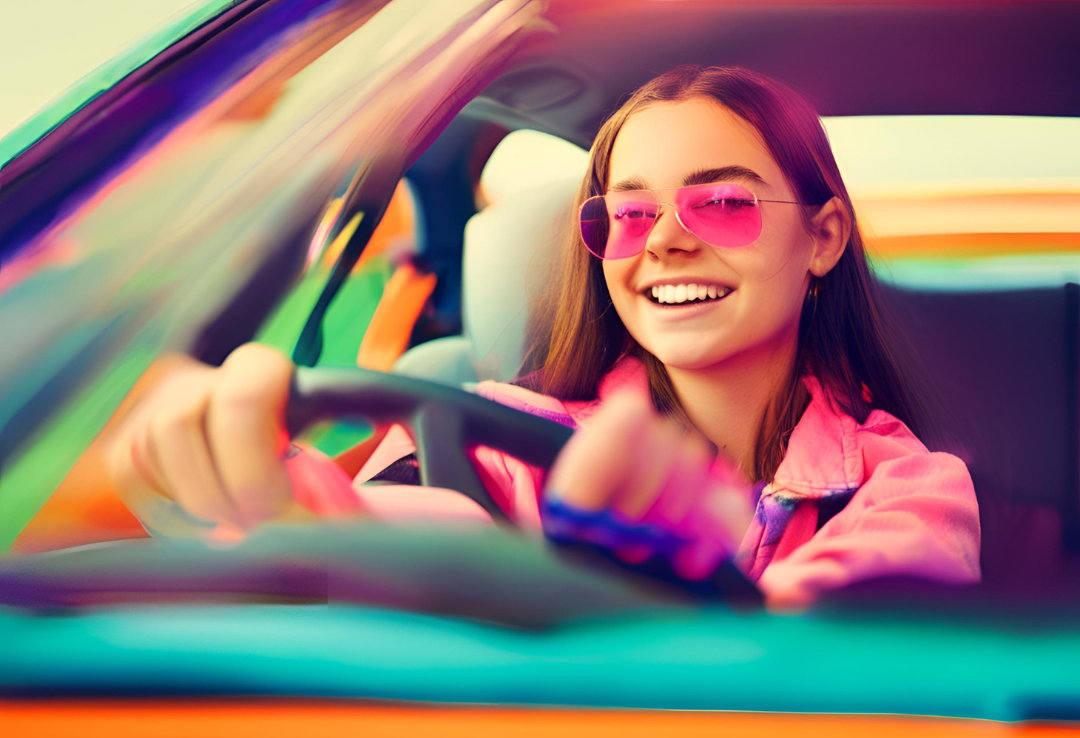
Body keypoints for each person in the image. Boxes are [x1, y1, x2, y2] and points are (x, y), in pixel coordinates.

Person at [105, 66, 981, 609]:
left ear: (822, 237)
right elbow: (428, 516)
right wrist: (301, 511)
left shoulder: (910, 483)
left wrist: (647, 595)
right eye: (629, 213)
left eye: (723, 202)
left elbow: (852, 658)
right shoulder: (486, 425)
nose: (666, 239)